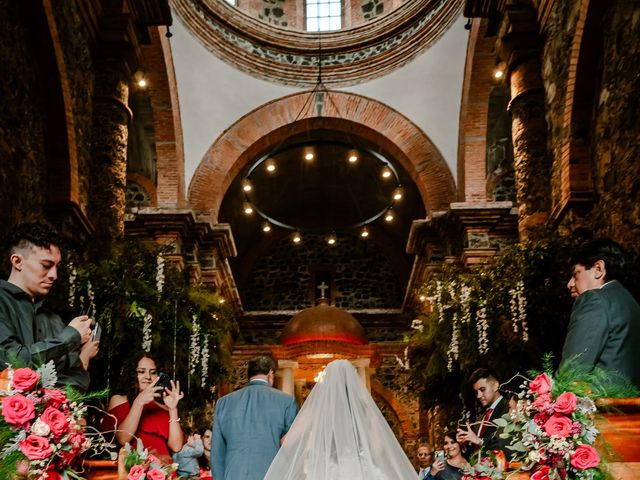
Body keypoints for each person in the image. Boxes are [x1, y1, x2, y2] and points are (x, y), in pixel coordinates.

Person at [263, 359, 417, 480]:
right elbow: (378, 448)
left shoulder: (315, 410)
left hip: (327, 471)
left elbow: (287, 442)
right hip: (360, 471)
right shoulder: (364, 409)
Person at [0, 222, 98, 392]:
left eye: (56, 267)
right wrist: (70, 337)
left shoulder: (52, 318)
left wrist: (49, 405)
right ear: (17, 261)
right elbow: (13, 360)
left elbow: (77, 378)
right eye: (46, 265)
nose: (54, 275)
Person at [562, 238, 640, 387]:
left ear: (598, 268)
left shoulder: (594, 300)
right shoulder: (631, 303)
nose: (570, 284)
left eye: (575, 274)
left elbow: (571, 373)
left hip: (601, 407)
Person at [211, 355, 297, 480]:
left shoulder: (224, 402)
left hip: (234, 475)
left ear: (249, 375)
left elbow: (217, 452)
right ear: (270, 373)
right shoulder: (287, 401)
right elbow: (291, 447)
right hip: (271, 474)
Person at [101, 353, 184, 460]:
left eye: (153, 372)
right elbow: (123, 438)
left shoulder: (163, 407)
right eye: (141, 371)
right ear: (132, 374)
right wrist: (139, 402)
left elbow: (176, 446)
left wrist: (173, 409)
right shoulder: (118, 400)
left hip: (164, 468)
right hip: (134, 468)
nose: (148, 377)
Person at [456, 368, 511, 458]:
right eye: (476, 392)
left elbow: (504, 443)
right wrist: (465, 444)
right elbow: (476, 455)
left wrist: (480, 441)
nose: (478, 396)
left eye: (482, 389)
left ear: (495, 386)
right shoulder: (481, 418)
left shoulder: (509, 408)